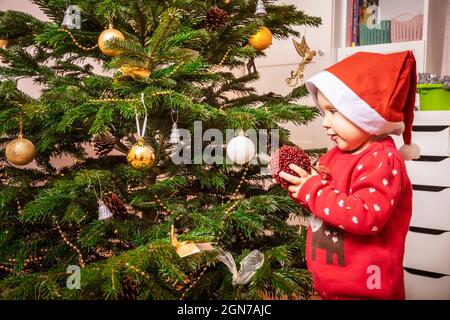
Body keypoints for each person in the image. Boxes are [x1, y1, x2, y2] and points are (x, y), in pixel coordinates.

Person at [277, 51, 419, 299]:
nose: (324, 122)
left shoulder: (382, 159)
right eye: (324, 112)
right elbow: (323, 202)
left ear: (364, 113)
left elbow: (367, 215)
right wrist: (299, 186)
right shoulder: (334, 156)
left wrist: (313, 190)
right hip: (330, 283)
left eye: (333, 111)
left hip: (365, 290)